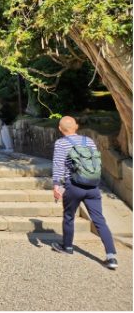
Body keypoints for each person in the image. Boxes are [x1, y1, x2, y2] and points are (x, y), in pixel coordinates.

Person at [51, 116, 118, 270]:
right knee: (99, 220)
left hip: (73, 187)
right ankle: (111, 256)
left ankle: (67, 247)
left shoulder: (61, 143)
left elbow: (58, 166)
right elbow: (95, 163)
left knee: (68, 216)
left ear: (60, 129)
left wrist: (56, 186)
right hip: (93, 187)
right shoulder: (88, 141)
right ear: (76, 126)